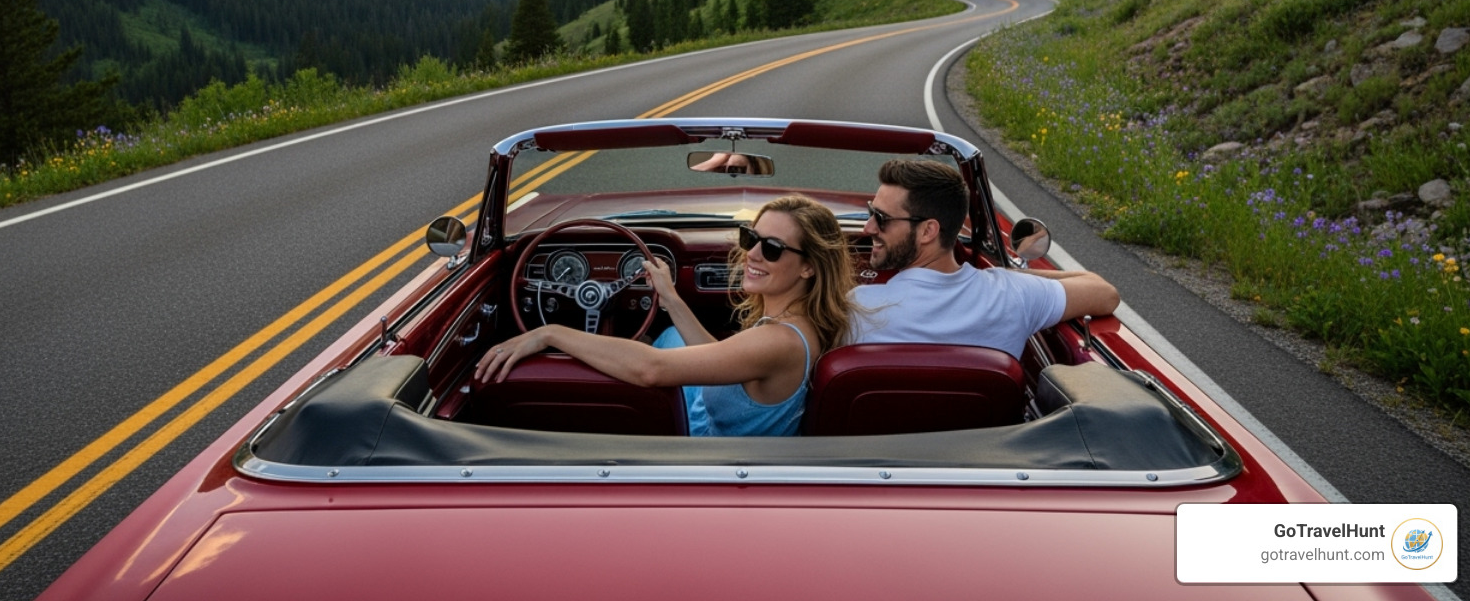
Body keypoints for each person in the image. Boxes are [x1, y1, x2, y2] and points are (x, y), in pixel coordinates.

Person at [476, 195, 856, 436]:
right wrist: (670, 298)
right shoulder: (792, 325)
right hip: (729, 437)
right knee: (666, 336)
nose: (753, 255)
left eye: (772, 248)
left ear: (809, 267)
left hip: (712, 458)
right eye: (749, 238)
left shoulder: (778, 341)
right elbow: (721, 358)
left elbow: (651, 371)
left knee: (638, 357)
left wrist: (551, 334)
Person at [848, 158, 1119, 358]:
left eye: (881, 219)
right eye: (872, 212)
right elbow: (1104, 293)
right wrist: (1003, 277)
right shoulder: (1011, 295)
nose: (868, 228)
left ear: (928, 231)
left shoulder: (857, 308)